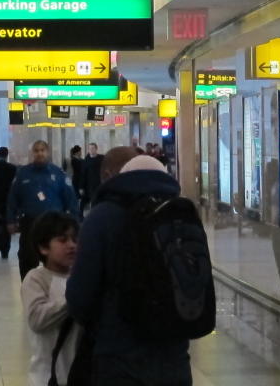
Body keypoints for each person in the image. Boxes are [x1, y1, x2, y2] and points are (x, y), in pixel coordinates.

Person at [66, 151, 193, 386]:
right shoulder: (182, 213)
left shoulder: (102, 217)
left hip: (118, 358)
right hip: (175, 358)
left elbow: (79, 298)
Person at [20, 211, 80, 386]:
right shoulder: (36, 279)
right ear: (43, 247)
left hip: (79, 373)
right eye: (62, 240)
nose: (71, 245)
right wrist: (75, 296)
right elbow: (37, 319)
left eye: (74, 239)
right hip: (48, 377)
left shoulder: (80, 276)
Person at [7, 140, 80, 280]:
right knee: (27, 259)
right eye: (36, 150)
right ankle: (28, 288)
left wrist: (74, 222)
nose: (39, 153)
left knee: (56, 258)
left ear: (48, 152)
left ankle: (56, 290)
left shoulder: (58, 174)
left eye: (42, 150)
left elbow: (71, 199)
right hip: (30, 222)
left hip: (54, 224)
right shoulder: (23, 174)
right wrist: (10, 220)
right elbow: (13, 198)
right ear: (32, 153)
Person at [81, 143, 103, 210]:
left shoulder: (101, 158)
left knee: (98, 200)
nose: (91, 150)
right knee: (88, 201)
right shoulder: (86, 160)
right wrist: (81, 186)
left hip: (99, 183)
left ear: (96, 149)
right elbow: (83, 174)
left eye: (93, 148)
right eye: (90, 148)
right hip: (89, 185)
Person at [69, 146, 85, 214]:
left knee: (80, 196)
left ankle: (79, 211)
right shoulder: (74, 160)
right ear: (77, 152)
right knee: (77, 196)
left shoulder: (80, 159)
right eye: (80, 151)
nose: (81, 152)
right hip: (77, 180)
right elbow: (79, 169)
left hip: (80, 179)